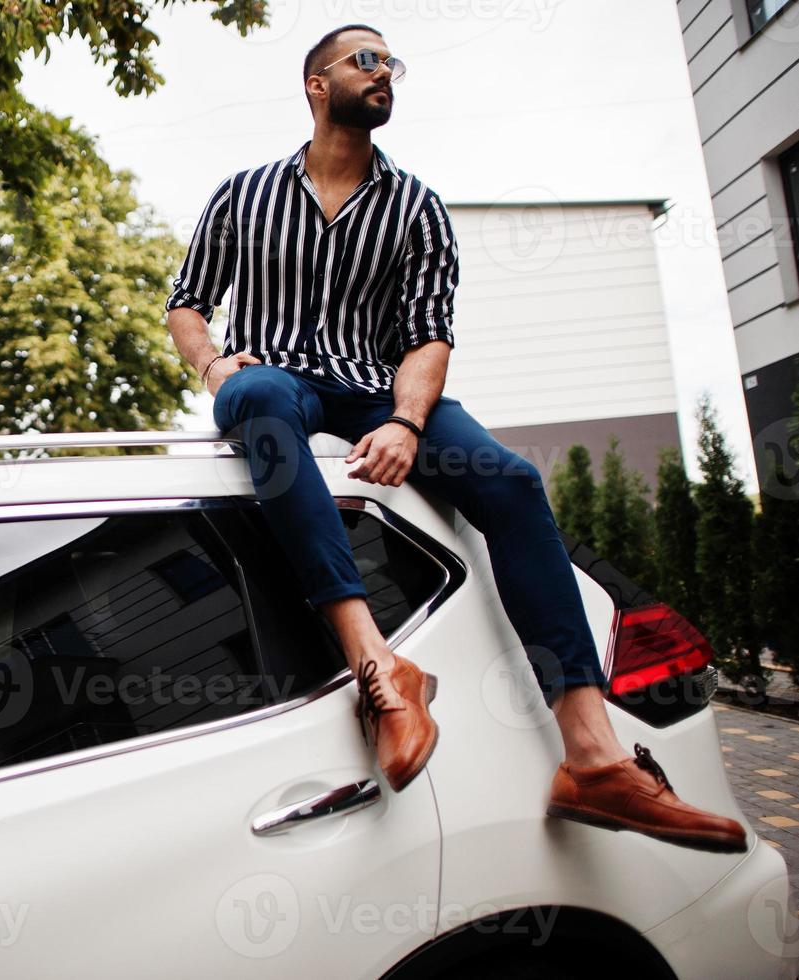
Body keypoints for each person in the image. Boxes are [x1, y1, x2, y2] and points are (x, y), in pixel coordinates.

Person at [164, 23, 746, 853]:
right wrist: (213, 364)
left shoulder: (417, 207)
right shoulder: (242, 193)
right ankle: (381, 671)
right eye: (365, 60)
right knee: (256, 394)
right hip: (275, 380)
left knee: (508, 481)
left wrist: (404, 421)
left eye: (391, 63)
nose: (384, 73)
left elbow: (426, 338)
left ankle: (591, 758)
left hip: (374, 387)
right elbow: (186, 301)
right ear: (315, 84)